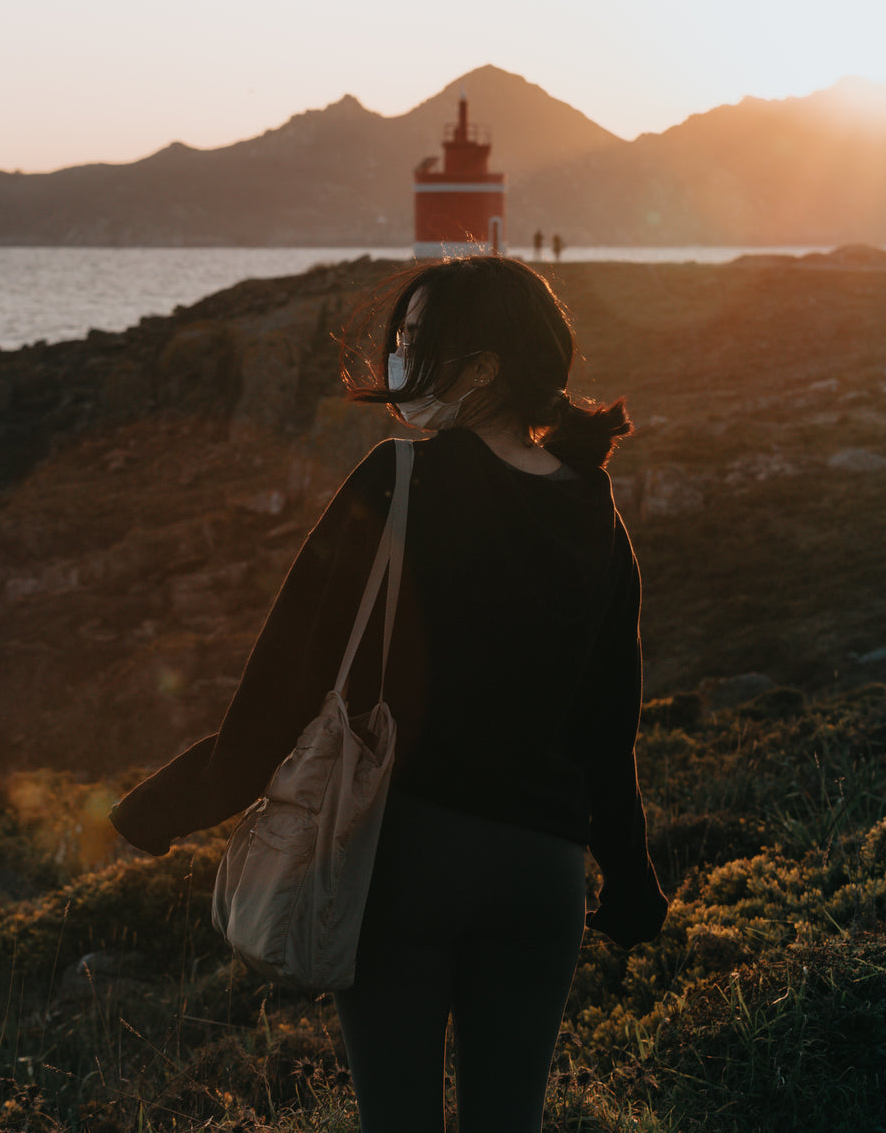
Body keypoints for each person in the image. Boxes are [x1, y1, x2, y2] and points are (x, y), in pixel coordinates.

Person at [110, 255, 667, 1133]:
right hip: (542, 878)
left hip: (404, 859)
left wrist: (173, 806)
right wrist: (630, 879)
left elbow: (286, 681)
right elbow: (610, 726)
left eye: (418, 340)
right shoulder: (596, 511)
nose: (400, 356)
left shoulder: (398, 479)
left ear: (482, 367)